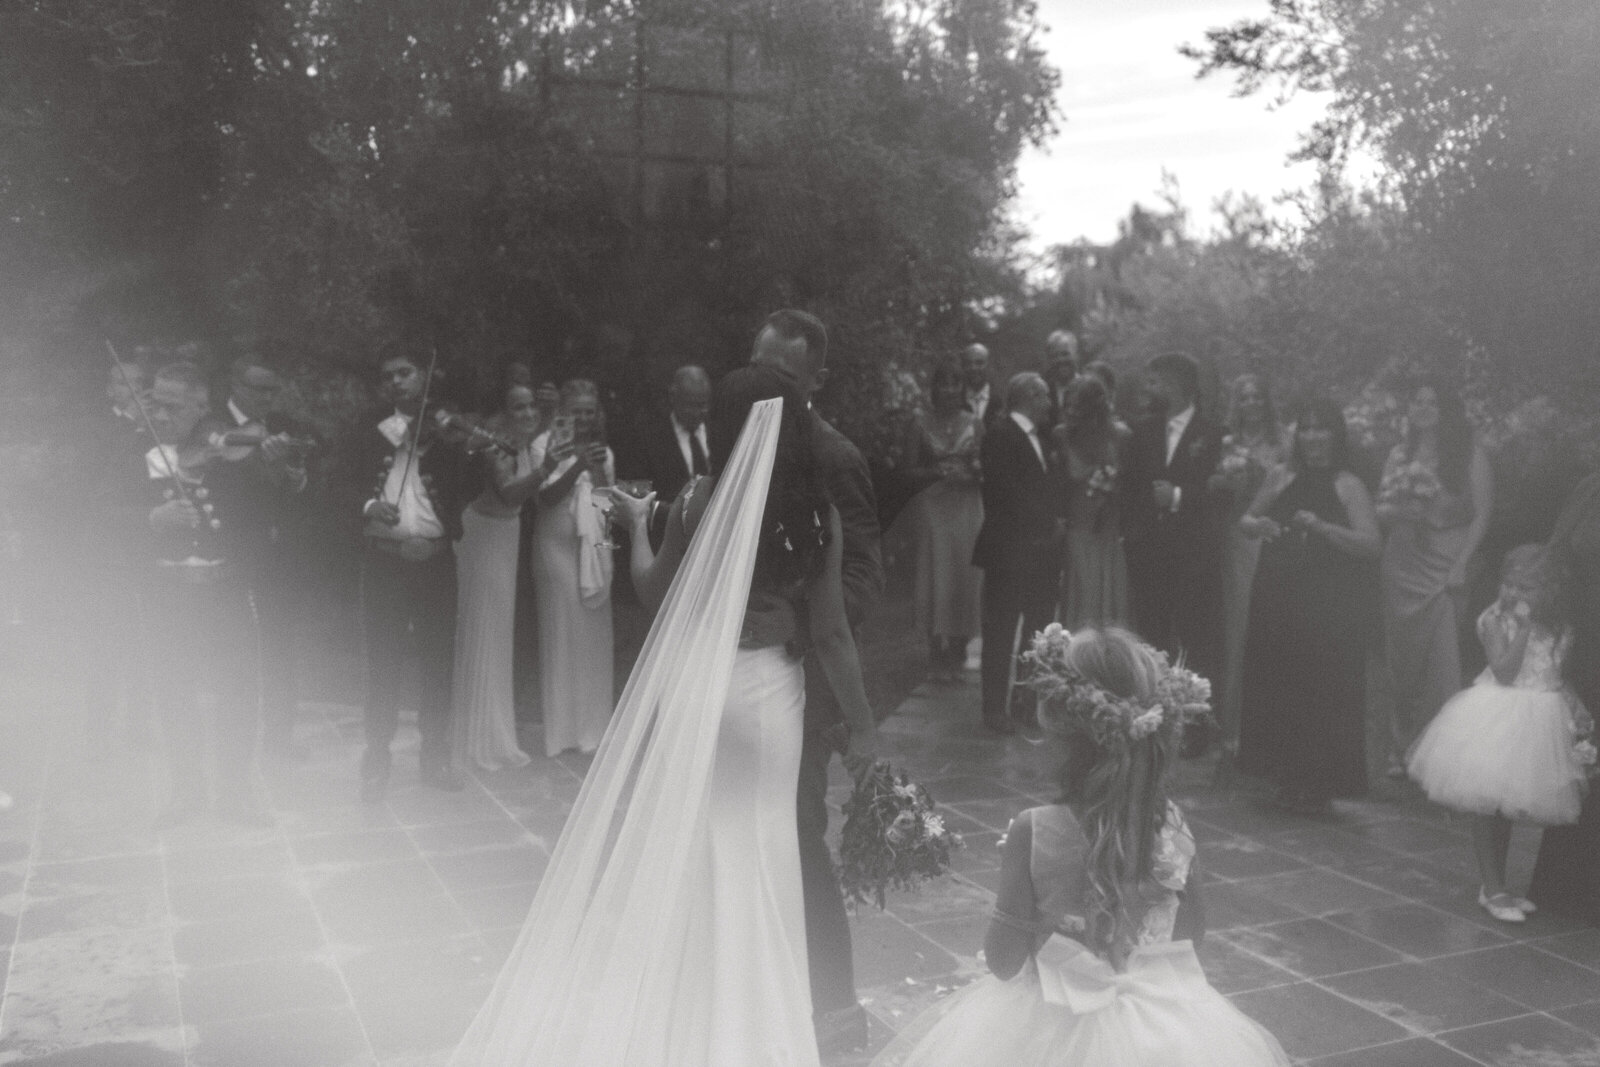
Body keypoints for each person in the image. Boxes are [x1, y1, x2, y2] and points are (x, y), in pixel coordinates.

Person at [449, 366, 880, 1066]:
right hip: (769, 698)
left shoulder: (699, 498)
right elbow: (831, 634)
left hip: (704, 689)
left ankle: (690, 1019)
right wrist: (863, 725)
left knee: (705, 843)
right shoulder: (815, 514)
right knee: (764, 849)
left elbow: (656, 593)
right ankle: (760, 1025)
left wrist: (636, 528)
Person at [873, 626, 1289, 1067]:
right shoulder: (1171, 824)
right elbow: (1193, 933)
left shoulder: (1033, 832)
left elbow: (1002, 961)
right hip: (1161, 1029)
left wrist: (1032, 901)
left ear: (1060, 735)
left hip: (1050, 1027)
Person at [748, 309, 885, 1055]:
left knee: (798, 843)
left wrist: (794, 624)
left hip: (800, 690)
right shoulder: (740, 446)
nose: (767, 387)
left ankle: (835, 1020)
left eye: (786, 377)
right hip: (738, 691)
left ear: (816, 381)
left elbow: (863, 581)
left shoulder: (834, 457)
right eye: (758, 368)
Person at [1409, 545, 1591, 922]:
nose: (1513, 594)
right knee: (1487, 806)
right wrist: (1524, 629)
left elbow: (1555, 675)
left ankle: (1499, 885)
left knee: (1507, 807)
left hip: (1542, 716)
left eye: (1525, 588)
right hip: (1499, 715)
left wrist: (1578, 708)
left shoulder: (1561, 628)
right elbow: (1506, 672)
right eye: (1508, 584)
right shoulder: (1496, 621)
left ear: (1549, 591)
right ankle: (1492, 887)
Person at [136, 360, 275, 827]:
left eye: (174, 406)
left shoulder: (230, 452)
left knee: (237, 692)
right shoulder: (134, 449)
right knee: (174, 693)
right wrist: (149, 521)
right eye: (155, 403)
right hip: (167, 594)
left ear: (201, 406)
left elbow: (266, 514)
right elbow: (97, 513)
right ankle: (186, 793)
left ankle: (235, 793)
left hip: (223, 590)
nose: (161, 414)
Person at [342, 344, 477, 801]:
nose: (397, 382)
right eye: (389, 377)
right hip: (386, 560)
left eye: (405, 373)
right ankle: (376, 757)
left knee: (439, 660)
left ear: (424, 378)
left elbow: (471, 489)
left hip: (437, 560)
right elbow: (339, 482)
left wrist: (468, 447)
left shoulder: (446, 431)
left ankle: (434, 755)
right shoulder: (369, 429)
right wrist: (366, 505)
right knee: (382, 660)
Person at [1235, 397, 1380, 813]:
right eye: (1307, 428)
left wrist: (1323, 528)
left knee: (1322, 686)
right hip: (1278, 595)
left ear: (1336, 435)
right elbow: (1246, 521)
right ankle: (1284, 772)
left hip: (1328, 603)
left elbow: (1372, 544)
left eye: (1323, 428)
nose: (1314, 436)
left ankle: (1319, 780)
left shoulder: (1348, 484)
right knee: (1280, 680)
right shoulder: (1280, 475)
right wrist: (1256, 524)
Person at [1377, 377, 1493, 777]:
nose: (1424, 408)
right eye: (1417, 401)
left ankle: (1439, 754)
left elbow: (1482, 515)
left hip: (1446, 564)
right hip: (1403, 562)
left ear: (1447, 411)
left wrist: (1462, 562)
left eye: (1433, 402)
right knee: (1402, 661)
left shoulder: (1469, 456)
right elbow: (1380, 510)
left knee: (1442, 659)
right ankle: (1401, 744)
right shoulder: (1397, 455)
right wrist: (1399, 512)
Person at [1121, 352, 1224, 751]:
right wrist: (1133, 532)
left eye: (1158, 381)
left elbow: (1219, 494)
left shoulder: (1213, 434)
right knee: (1151, 634)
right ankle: (1153, 720)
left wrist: (1178, 496)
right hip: (1148, 550)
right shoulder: (1142, 431)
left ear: (1181, 383)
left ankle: (1195, 727)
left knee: (1194, 638)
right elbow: (1128, 486)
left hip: (1193, 551)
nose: (1152, 389)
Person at [219, 354, 316, 760]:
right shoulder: (213, 426)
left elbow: (298, 485)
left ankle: (279, 738)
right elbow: (220, 483)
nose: (268, 397)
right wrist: (258, 460)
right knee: (230, 650)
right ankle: (232, 740)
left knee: (281, 646)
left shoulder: (284, 428)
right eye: (260, 388)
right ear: (237, 386)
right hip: (230, 552)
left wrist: (295, 477)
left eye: (273, 390)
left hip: (276, 554)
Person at [451, 383, 545, 772]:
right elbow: (508, 493)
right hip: (485, 534)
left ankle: (490, 730)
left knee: (498, 632)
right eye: (517, 407)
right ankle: (475, 738)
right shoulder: (495, 442)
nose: (526, 413)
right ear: (503, 412)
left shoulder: (521, 441)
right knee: (482, 628)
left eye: (530, 405)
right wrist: (549, 468)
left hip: (505, 534)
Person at [528, 379, 615, 757]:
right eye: (575, 411)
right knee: (563, 635)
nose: (582, 418)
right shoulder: (544, 444)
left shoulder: (604, 452)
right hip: (555, 549)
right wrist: (577, 462)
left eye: (589, 411)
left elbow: (607, 505)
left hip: (593, 549)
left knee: (594, 637)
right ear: (563, 412)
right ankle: (562, 732)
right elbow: (545, 497)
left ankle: (594, 729)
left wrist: (596, 469)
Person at [1209, 374, 1291, 764]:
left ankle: (1270, 729)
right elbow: (1210, 487)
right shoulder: (1226, 444)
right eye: (1245, 398)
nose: (1252, 404)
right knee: (1237, 628)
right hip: (1236, 538)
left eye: (1258, 397)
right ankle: (1233, 731)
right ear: (1236, 404)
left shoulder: (1283, 442)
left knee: (1274, 626)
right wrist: (1227, 481)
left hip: (1272, 535)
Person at [973, 372, 1061, 735]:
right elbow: (1005, 493)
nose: (1050, 404)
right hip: (1009, 551)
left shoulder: (1037, 438)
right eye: (1044, 397)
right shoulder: (1001, 435)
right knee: (1000, 631)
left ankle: (1024, 702)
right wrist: (1048, 522)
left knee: (1036, 632)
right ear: (1029, 396)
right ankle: (994, 709)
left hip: (1039, 554)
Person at [1530, 472, 1600, 919]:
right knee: (1587, 756)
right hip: (1591, 632)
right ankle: (1568, 884)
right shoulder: (1589, 488)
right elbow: (1560, 551)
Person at [903, 359, 984, 682]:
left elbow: (987, 465)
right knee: (936, 574)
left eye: (956, 383)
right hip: (934, 507)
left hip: (967, 506)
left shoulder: (975, 422)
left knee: (966, 574)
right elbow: (907, 471)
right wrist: (936, 471)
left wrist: (974, 472)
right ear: (934, 388)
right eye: (943, 383)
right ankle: (936, 648)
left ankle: (960, 646)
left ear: (963, 389)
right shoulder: (919, 422)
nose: (949, 389)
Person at [1053, 375, 1131, 630]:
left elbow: (1133, 483)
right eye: (1067, 405)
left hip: (1110, 531)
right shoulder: (1061, 436)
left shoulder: (1119, 436)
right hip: (1078, 528)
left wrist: (1112, 488)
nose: (1070, 412)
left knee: (1110, 601)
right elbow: (1056, 486)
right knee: (1082, 596)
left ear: (1094, 407)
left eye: (1077, 406)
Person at [617, 364, 712, 549]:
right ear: (673, 398)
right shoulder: (647, 437)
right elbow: (633, 492)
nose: (697, 412)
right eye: (690, 405)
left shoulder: (719, 433)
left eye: (702, 405)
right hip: (665, 545)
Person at [961, 342, 1001, 431]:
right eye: (968, 363)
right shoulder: (956, 399)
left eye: (979, 363)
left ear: (989, 365)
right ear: (963, 366)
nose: (973, 368)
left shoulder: (1000, 400)